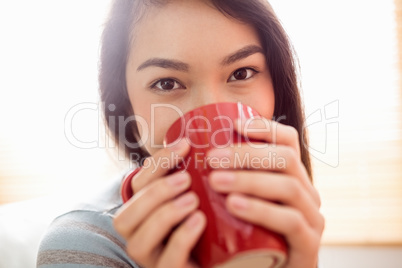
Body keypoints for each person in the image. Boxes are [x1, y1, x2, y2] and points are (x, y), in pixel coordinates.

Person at [37, 0, 325, 267]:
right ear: (126, 104)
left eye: (242, 73)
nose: (211, 120)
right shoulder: (82, 245)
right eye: (166, 83)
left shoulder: (287, 220)